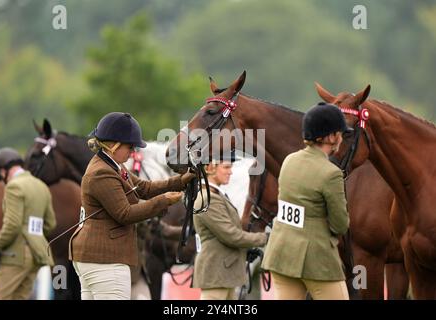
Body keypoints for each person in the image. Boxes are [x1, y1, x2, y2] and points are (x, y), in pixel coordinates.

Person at [68, 112, 195, 300]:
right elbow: (125, 214)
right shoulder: (101, 173)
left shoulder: (113, 165)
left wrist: (180, 181)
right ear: (114, 145)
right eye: (130, 146)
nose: (133, 151)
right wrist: (164, 201)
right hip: (105, 259)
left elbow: (142, 188)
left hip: (97, 258)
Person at [261, 102, 351, 300]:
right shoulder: (331, 173)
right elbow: (340, 224)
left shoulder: (289, 161)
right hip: (316, 260)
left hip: (282, 253)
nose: (342, 137)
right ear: (330, 137)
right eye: (340, 132)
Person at [192, 153, 268, 300]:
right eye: (226, 167)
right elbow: (232, 235)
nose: (230, 171)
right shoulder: (209, 199)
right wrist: (265, 238)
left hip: (224, 273)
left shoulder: (216, 195)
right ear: (209, 168)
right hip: (216, 272)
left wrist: (247, 249)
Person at [0, 147, 57, 300]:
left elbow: (12, 225)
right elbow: (50, 224)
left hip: (15, 255)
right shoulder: (41, 186)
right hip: (36, 255)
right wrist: (33, 236)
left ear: (3, 170)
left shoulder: (14, 186)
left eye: (0, 175)